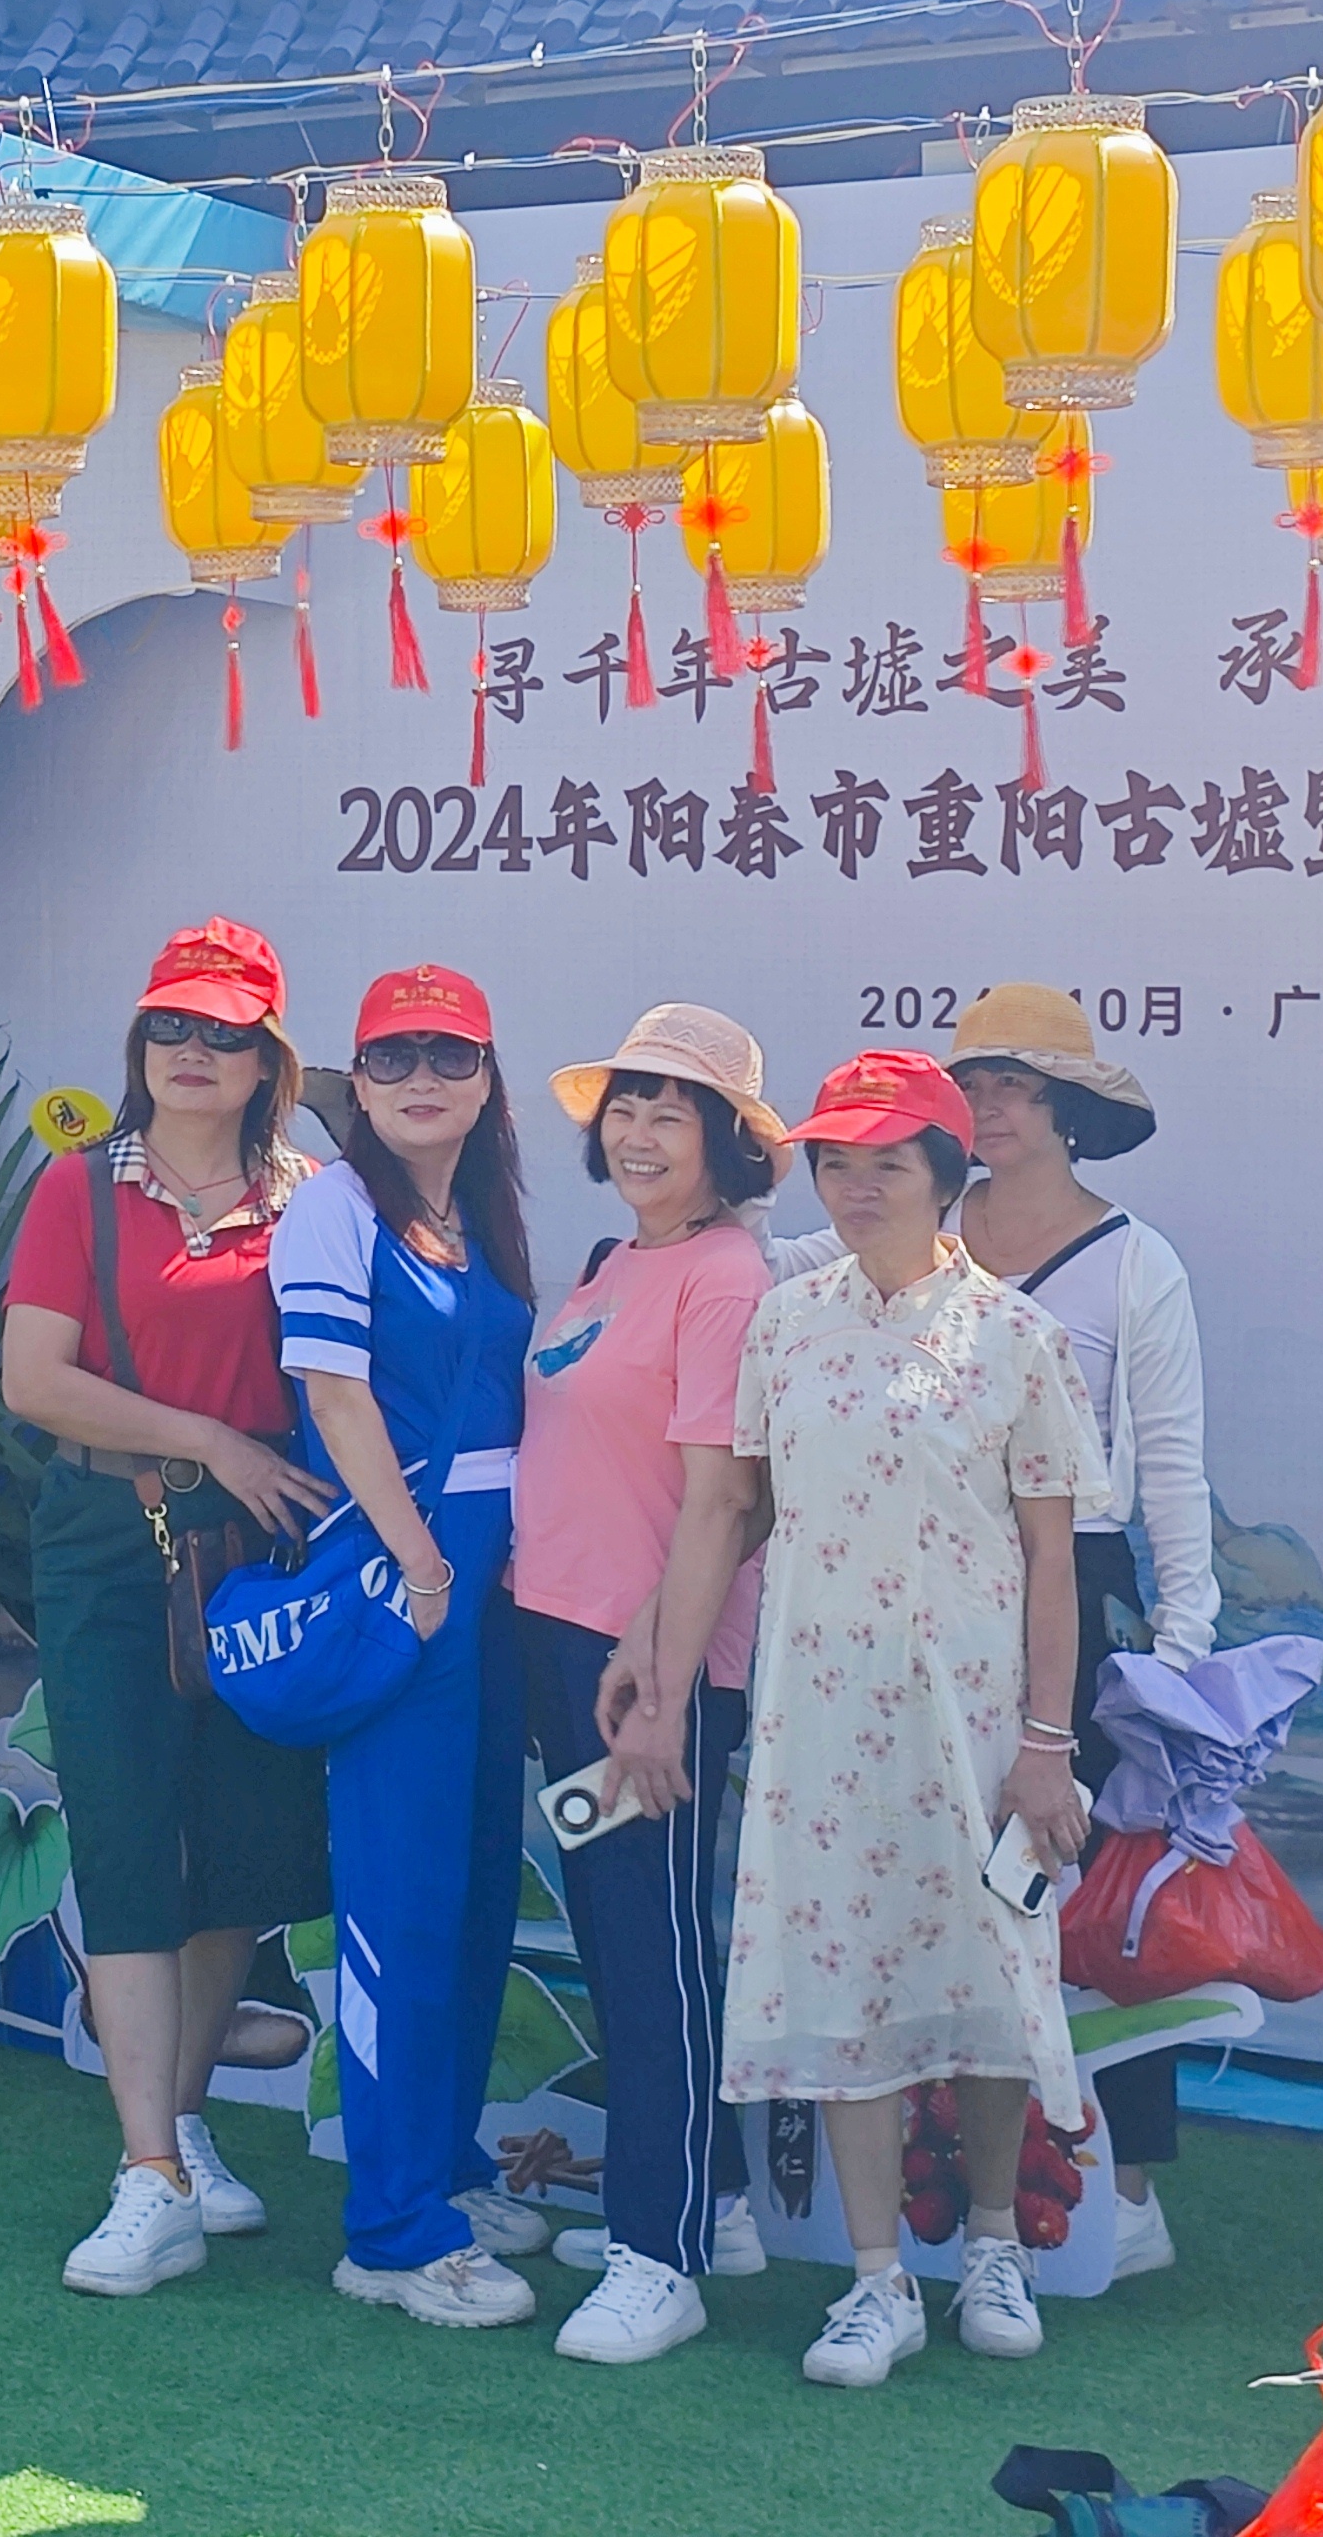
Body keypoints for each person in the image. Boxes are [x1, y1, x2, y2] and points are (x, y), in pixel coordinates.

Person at [674, 1050, 1105, 2390]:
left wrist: (1048, 1743)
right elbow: (734, 1512)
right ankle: (874, 2281)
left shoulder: (1019, 1339)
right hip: (815, 1715)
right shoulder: (783, 1326)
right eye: (834, 1163)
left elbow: (1054, 1559)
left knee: (988, 1973)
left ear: (946, 1173)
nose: (856, 1187)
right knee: (839, 1972)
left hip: (975, 1720)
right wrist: (655, 1651)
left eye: (888, 1163)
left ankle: (992, 2245)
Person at [788, 984, 1219, 2278]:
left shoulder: (1137, 1263)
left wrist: (1177, 1657)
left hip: (1073, 1583)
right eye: (972, 1086)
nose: (991, 1109)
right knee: (921, 1886)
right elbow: (770, 1287)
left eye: (1018, 1087)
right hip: (911, 1581)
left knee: (1083, 1890)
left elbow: (1172, 1466)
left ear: (1070, 1109)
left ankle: (1120, 2191)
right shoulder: (899, 1232)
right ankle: (942, 2208)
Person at [0, 918, 336, 2297]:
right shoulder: (76, 1190)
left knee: (241, 1847)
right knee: (128, 1838)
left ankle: (182, 2126)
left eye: (225, 1033)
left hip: (262, 1551)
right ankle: (146, 2170)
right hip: (106, 1534)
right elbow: (35, 1380)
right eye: (172, 1028)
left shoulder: (315, 1200)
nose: (194, 1052)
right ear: (139, 1046)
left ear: (268, 1062)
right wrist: (205, 1439)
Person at [512, 1003, 786, 2365]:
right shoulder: (617, 1260)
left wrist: (667, 1686)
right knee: (623, 1941)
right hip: (564, 1642)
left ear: (727, 1143)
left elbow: (725, 1500)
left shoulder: (726, 1275)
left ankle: (657, 2257)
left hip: (647, 1666)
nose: (637, 1132)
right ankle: (708, 2205)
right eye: (624, 1106)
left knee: (653, 1950)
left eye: (669, 1112)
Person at [274, 964, 545, 2330]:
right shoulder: (334, 1207)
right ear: (357, 1083)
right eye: (392, 1058)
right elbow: (332, 1395)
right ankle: (390, 2230)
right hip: (412, 1585)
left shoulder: (480, 1215)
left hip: (492, 1592)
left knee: (477, 1891)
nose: (420, 1079)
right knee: (397, 1903)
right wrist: (423, 1564)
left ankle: (443, 2165)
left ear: (488, 1081)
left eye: (449, 1055)